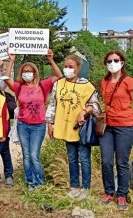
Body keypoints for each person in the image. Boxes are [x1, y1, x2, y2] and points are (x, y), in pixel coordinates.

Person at [5, 49, 62, 190]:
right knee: (26, 156)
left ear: (35, 72)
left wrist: (51, 60)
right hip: (23, 125)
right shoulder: (19, 87)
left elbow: (59, 76)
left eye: (30, 70)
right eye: (24, 71)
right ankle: (30, 182)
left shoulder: (43, 85)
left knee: (34, 155)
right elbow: (6, 79)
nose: (27, 73)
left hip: (38, 126)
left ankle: (39, 182)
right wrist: (11, 60)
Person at [46, 54, 99, 199]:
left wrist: (84, 111)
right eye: (66, 66)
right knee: (72, 159)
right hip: (66, 127)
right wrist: (50, 123)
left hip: (81, 129)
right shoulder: (59, 84)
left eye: (71, 67)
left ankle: (86, 189)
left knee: (84, 159)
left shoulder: (86, 85)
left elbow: (95, 105)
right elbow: (53, 104)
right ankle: (74, 186)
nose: (68, 69)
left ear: (78, 68)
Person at [98, 50, 133, 210]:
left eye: (116, 60)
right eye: (109, 61)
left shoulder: (128, 81)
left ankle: (122, 195)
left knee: (122, 162)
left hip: (125, 126)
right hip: (107, 126)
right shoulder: (104, 82)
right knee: (106, 161)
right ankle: (109, 192)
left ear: (122, 62)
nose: (112, 63)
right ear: (105, 64)